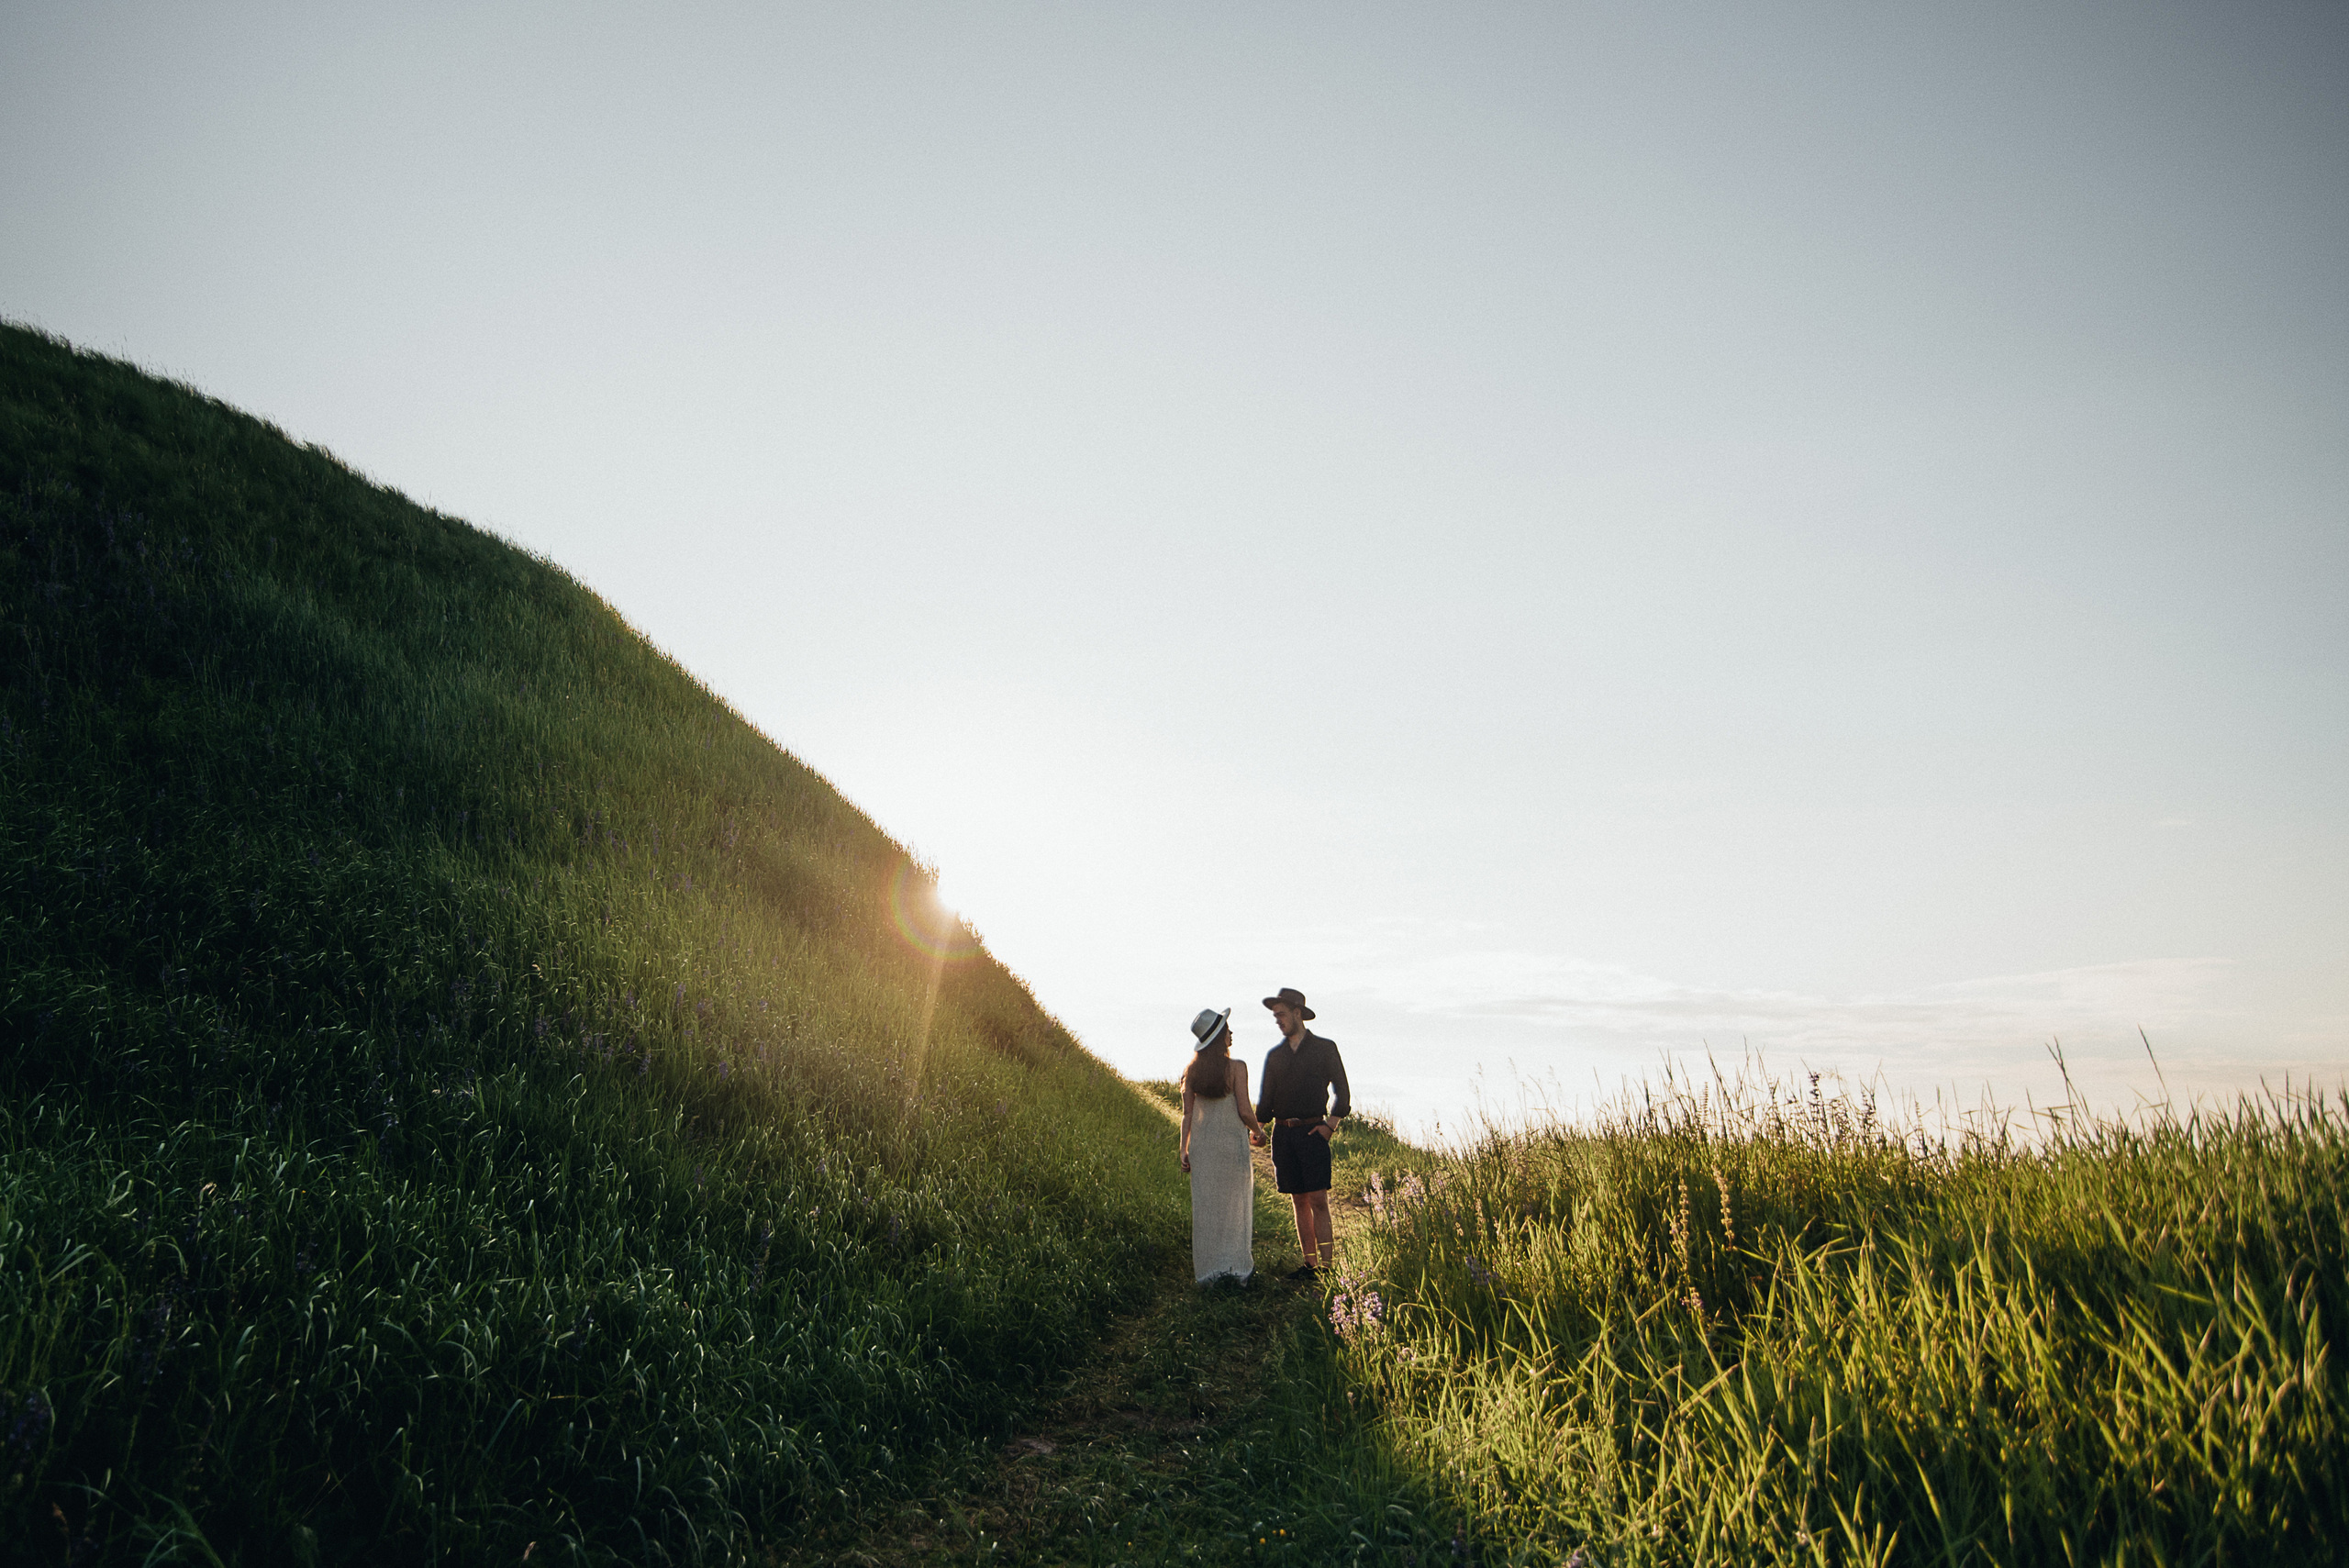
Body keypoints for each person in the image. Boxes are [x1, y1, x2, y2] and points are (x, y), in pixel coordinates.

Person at [1255, 986, 1348, 1280]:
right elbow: (1266, 1101)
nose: (1278, 1021)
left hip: (1313, 1133)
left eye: (1281, 1014)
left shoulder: (1325, 1048)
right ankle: (1309, 1265)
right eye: (1275, 1016)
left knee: (1318, 1199)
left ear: (1298, 1014)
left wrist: (1330, 1125)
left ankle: (1328, 1267)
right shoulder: (1275, 1056)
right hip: (1283, 1136)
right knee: (1298, 1201)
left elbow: (1342, 1090)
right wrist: (1256, 1128)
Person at [1180, 1006, 1264, 1284]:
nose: (1231, 1032)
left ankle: (1209, 1272)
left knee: (1207, 1208)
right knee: (1234, 1205)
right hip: (1231, 1145)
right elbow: (1244, 1110)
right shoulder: (1237, 1067)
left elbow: (1187, 1116)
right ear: (1219, 1038)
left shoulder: (1191, 1071)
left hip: (1203, 1148)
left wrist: (1184, 1149)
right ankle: (1237, 1268)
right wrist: (1259, 1132)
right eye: (1227, 1029)